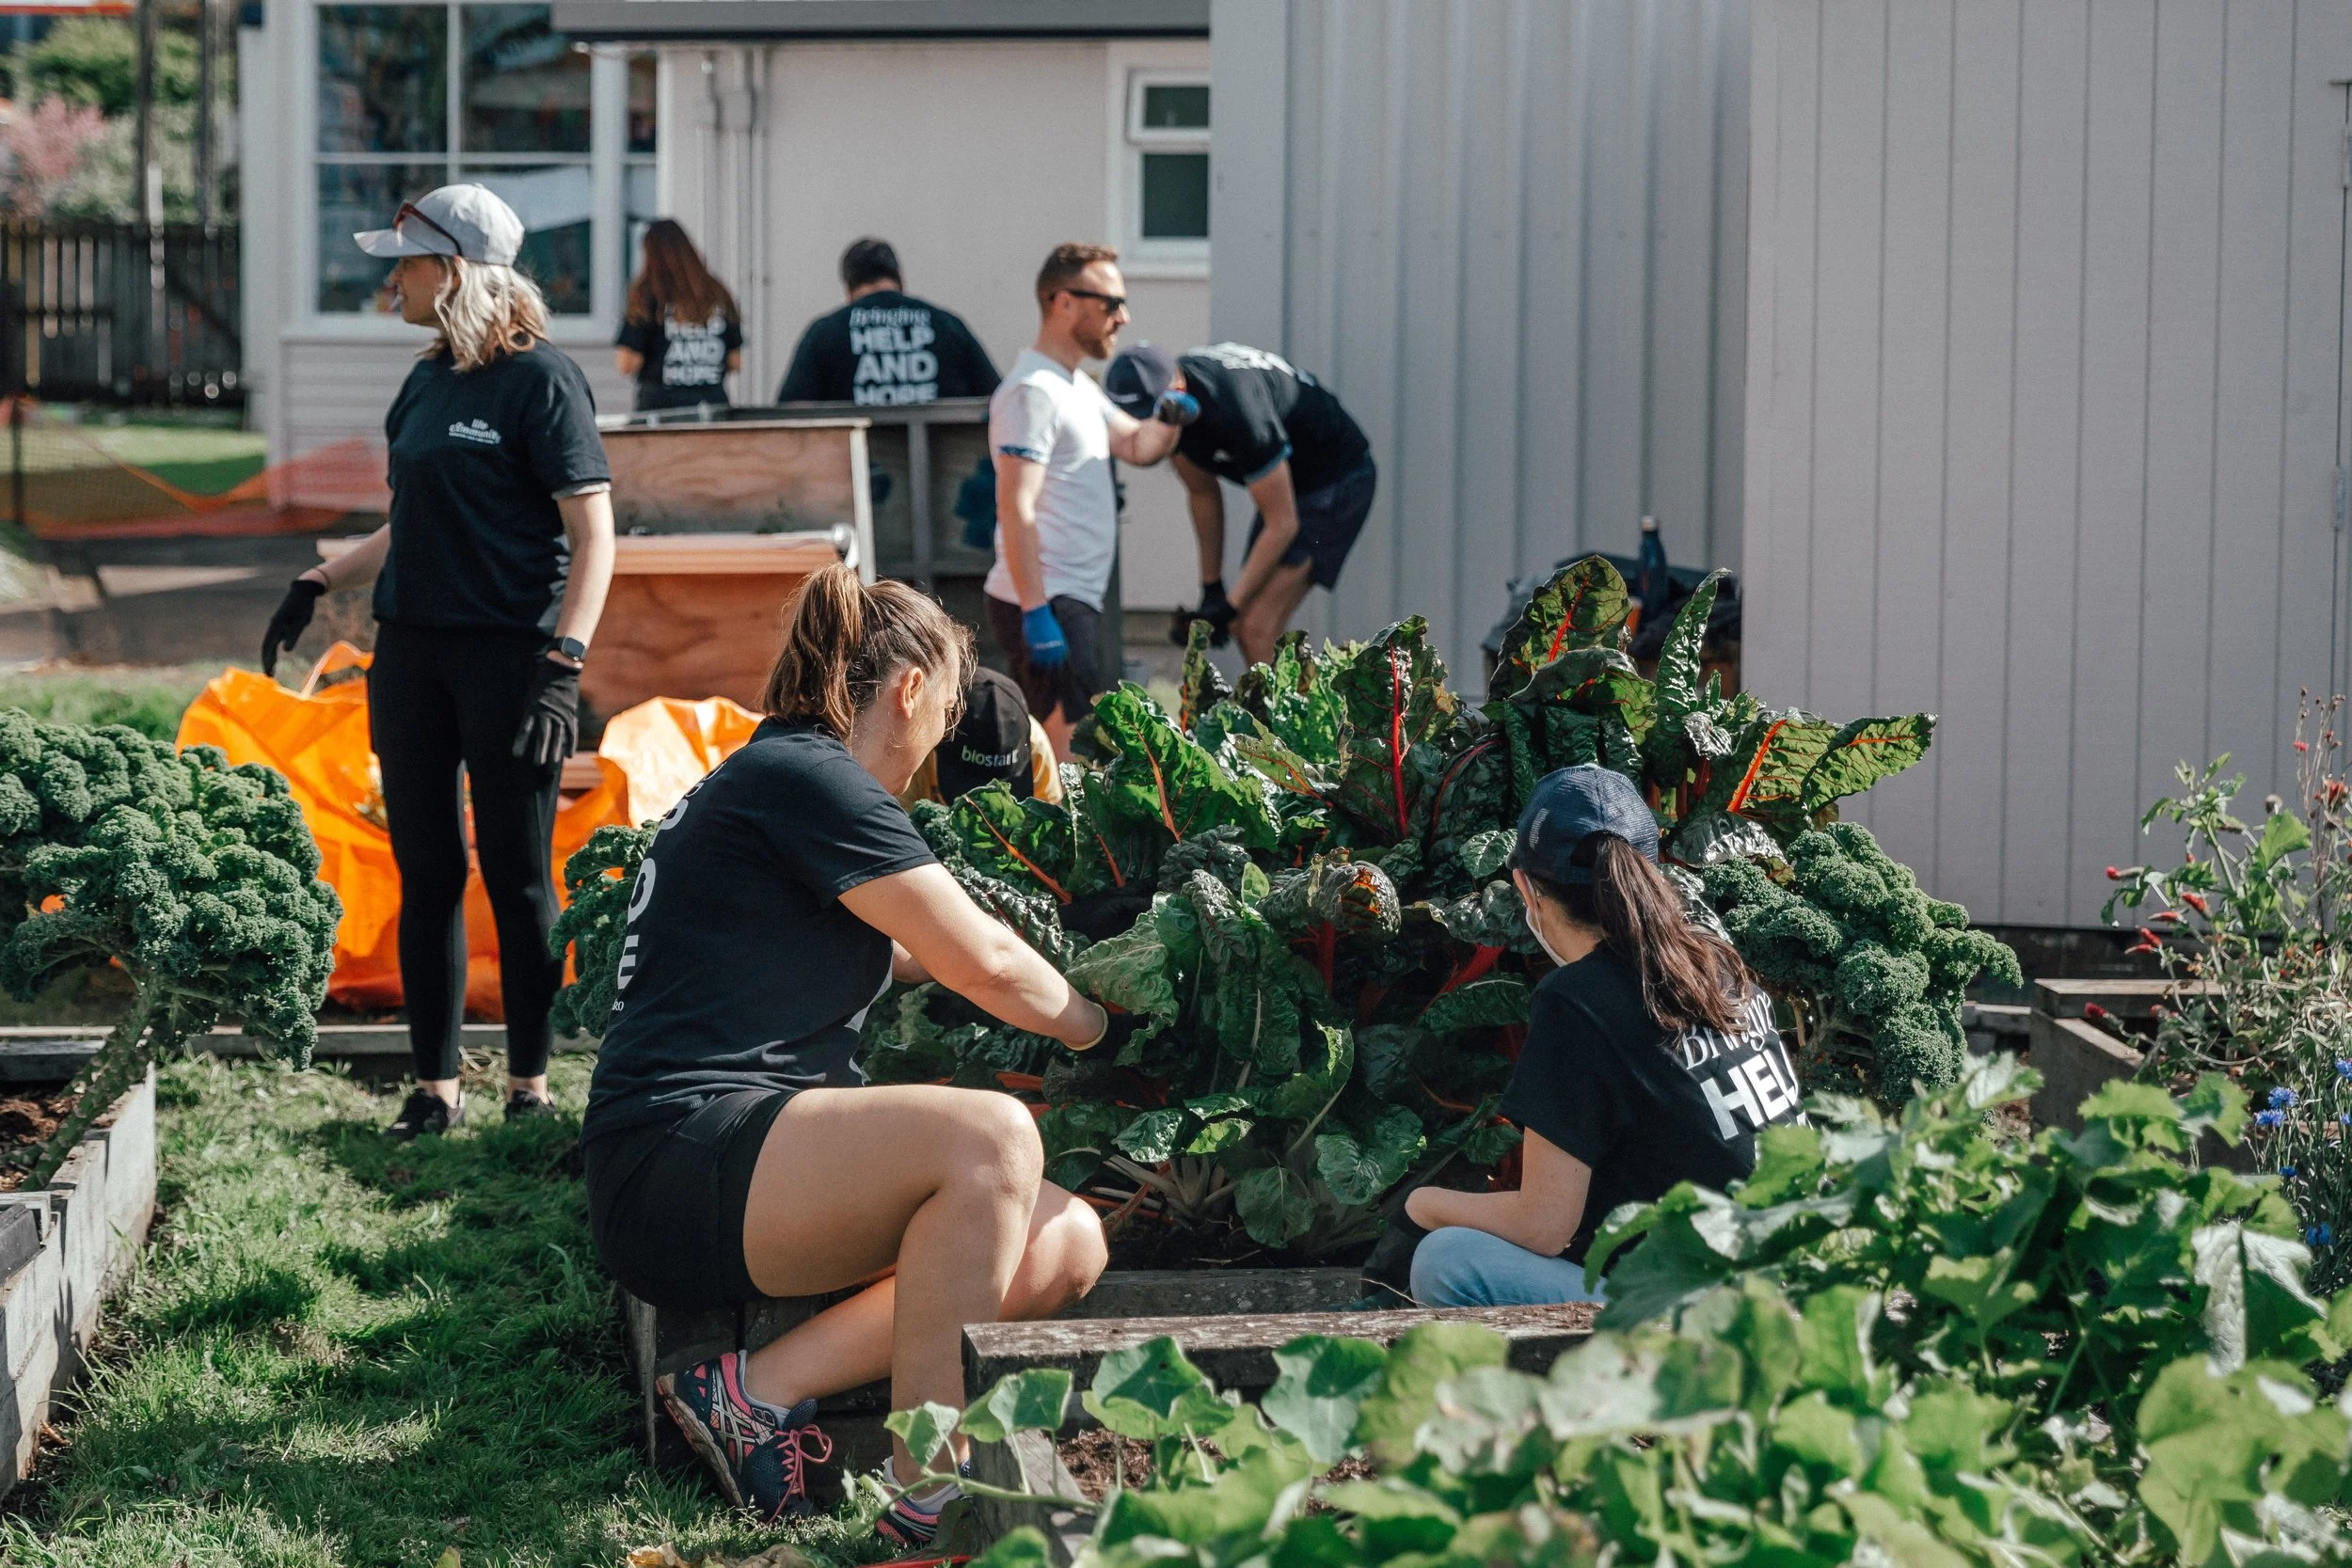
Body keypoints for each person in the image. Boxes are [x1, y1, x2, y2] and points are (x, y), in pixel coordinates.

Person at [580, 564, 1122, 1539]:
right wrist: (1098, 1022)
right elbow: (987, 964)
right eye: (947, 709)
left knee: (1067, 1240)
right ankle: (929, 1505)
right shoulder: (809, 776)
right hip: (678, 1158)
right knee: (989, 1139)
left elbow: (917, 952)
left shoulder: (785, 778)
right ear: (911, 691)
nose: (934, 749)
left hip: (733, 1162)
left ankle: (751, 1390)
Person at [257, 184, 616, 1140]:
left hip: (510, 661)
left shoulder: (542, 382)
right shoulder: (424, 380)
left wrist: (562, 662)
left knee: (518, 873)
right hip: (411, 653)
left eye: (405, 263)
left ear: (452, 270)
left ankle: (531, 1082)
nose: (392, 281)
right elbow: (410, 515)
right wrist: (320, 575)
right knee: (425, 868)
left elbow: (596, 537)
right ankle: (435, 1084)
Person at [1402, 765, 1804, 1307]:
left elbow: (1543, 1226)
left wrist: (1420, 1204)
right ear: (1652, 871)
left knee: (1444, 1260)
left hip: (1713, 1319)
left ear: (1525, 887)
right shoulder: (1716, 962)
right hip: (1801, 1281)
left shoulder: (1576, 999)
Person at [987, 243, 1187, 758]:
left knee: (1065, 758)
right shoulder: (1032, 392)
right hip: (1048, 599)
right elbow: (1016, 506)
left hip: (1068, 598)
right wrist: (1035, 612)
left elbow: (1138, 446)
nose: (1123, 317)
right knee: (1070, 758)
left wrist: (1169, 415)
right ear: (1063, 302)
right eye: (1110, 303)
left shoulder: (1074, 386)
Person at [1104, 341, 1376, 666]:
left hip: (1336, 478)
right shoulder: (1174, 412)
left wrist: (1228, 606)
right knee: (1242, 622)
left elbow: (1283, 524)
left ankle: (1306, 715)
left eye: (1158, 416)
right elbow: (1202, 493)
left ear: (1177, 389)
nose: (1154, 430)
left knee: (1255, 627)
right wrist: (1213, 588)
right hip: (1295, 486)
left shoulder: (1235, 408)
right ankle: (1285, 711)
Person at [776, 237, 1000, 406]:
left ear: (848, 288)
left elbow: (792, 412)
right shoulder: (948, 326)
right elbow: (999, 400)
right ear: (899, 279)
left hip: (855, 466)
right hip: (945, 467)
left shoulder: (824, 333)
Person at [614, 219, 743, 414]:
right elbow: (735, 362)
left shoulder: (647, 295)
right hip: (712, 411)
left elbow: (627, 364)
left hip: (660, 414)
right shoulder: (718, 293)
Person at [899, 664, 1062, 808]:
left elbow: (1049, 819)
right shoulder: (912, 743)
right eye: (967, 786)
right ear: (937, 739)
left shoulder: (1034, 742)